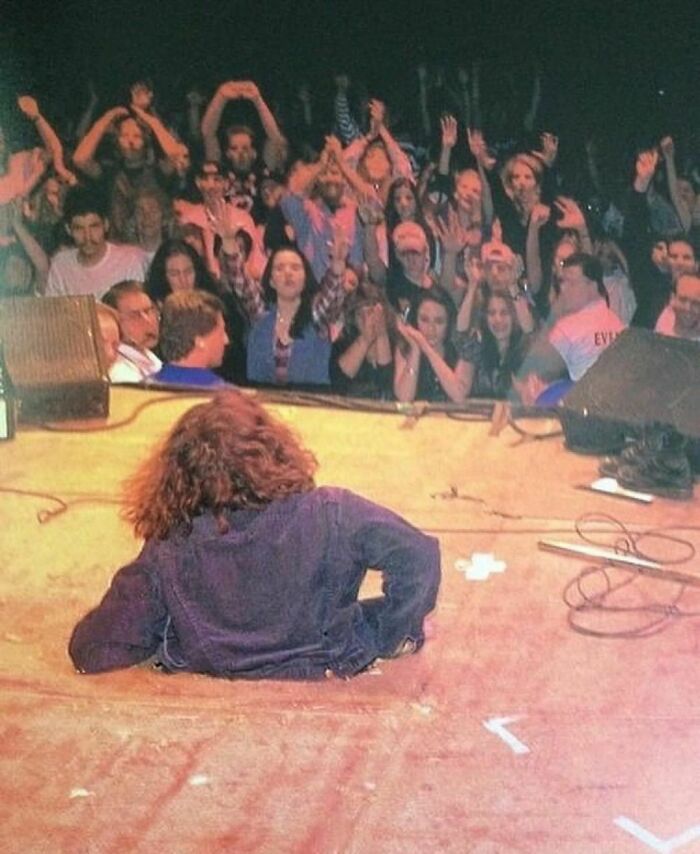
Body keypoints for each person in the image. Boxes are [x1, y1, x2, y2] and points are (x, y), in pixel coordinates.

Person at [68, 391, 440, 679]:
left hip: (216, 665)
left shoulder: (170, 545)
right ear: (274, 450)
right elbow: (418, 556)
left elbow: (95, 648)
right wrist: (380, 633)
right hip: (324, 657)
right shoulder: (332, 512)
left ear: (177, 475)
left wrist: (169, 631)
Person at [514, 253, 625, 403]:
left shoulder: (567, 328)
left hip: (582, 408)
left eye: (572, 283)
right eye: (562, 282)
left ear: (592, 286)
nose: (563, 289)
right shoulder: (617, 323)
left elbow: (535, 364)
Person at [45, 187, 149, 298]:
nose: (87, 237)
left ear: (106, 224)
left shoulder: (131, 260)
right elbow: (54, 312)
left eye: (94, 226)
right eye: (79, 228)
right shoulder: (61, 265)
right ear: (68, 230)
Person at [394, 286, 470, 404]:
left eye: (439, 321)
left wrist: (427, 348)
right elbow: (404, 398)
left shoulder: (461, 347)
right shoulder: (405, 346)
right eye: (424, 320)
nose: (431, 329)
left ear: (449, 323)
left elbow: (458, 395)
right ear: (415, 319)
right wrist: (415, 350)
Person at [150, 290, 229, 387]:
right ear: (200, 341)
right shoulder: (226, 398)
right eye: (221, 332)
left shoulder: (139, 391)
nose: (226, 340)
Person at [461, 291, 531, 398]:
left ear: (514, 317)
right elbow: (459, 391)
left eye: (504, 313)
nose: (498, 319)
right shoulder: (476, 347)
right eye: (491, 313)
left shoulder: (524, 350)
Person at [102, 281, 162, 382]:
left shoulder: (149, 356)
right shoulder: (120, 372)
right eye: (134, 315)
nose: (147, 321)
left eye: (148, 311)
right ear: (115, 322)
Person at [654, 273, 700, 340]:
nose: (688, 308)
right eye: (683, 300)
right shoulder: (658, 320)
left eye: (696, 303)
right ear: (672, 298)